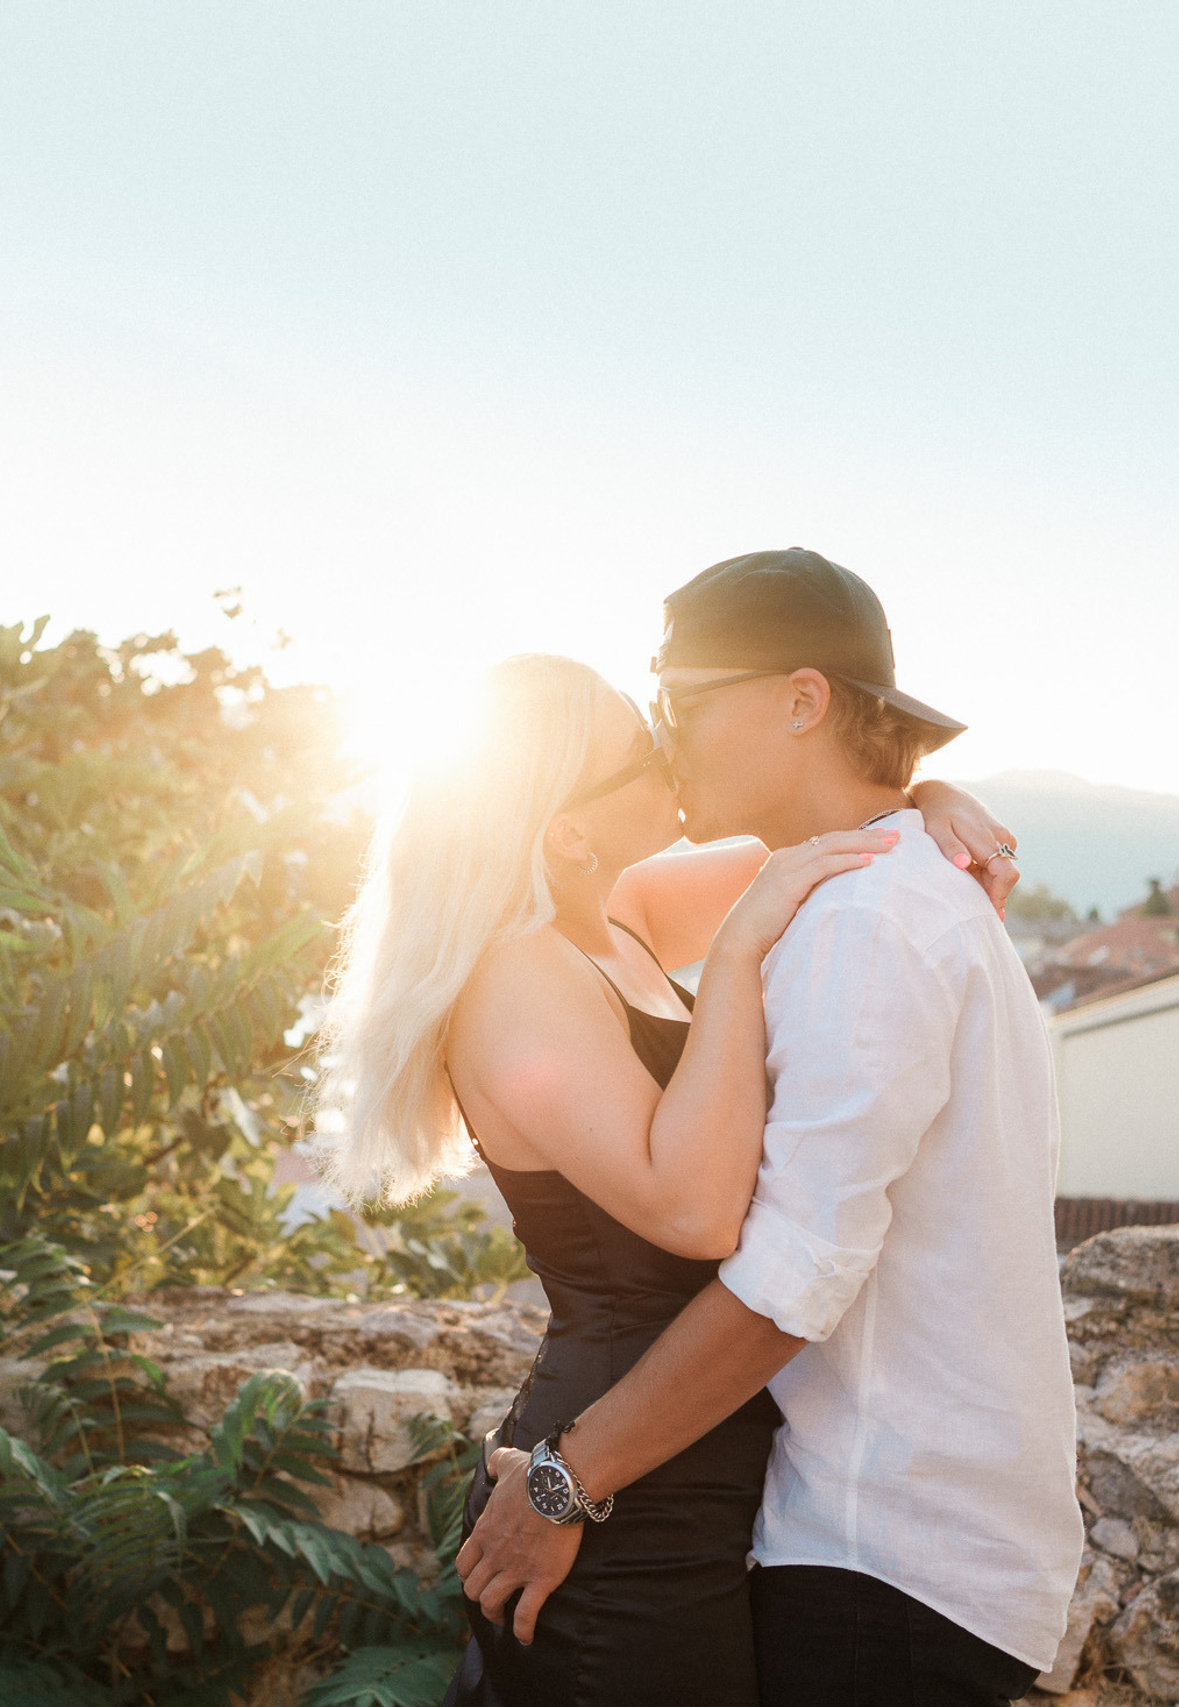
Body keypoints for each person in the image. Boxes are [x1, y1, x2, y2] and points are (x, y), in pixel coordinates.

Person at [314, 646, 1020, 1707]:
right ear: (569, 832)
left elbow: (828, 835)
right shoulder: (516, 975)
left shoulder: (619, 918)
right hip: (614, 1502)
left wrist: (927, 797)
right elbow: (693, 1212)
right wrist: (734, 956)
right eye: (642, 750)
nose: (671, 752)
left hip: (686, 1463)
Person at [452, 549, 1083, 1707]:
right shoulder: (867, 889)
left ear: (800, 701)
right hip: (863, 1537)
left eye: (679, 703)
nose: (665, 740)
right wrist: (915, 803)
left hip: (880, 1550)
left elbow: (792, 1272)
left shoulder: (862, 922)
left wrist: (561, 1481)